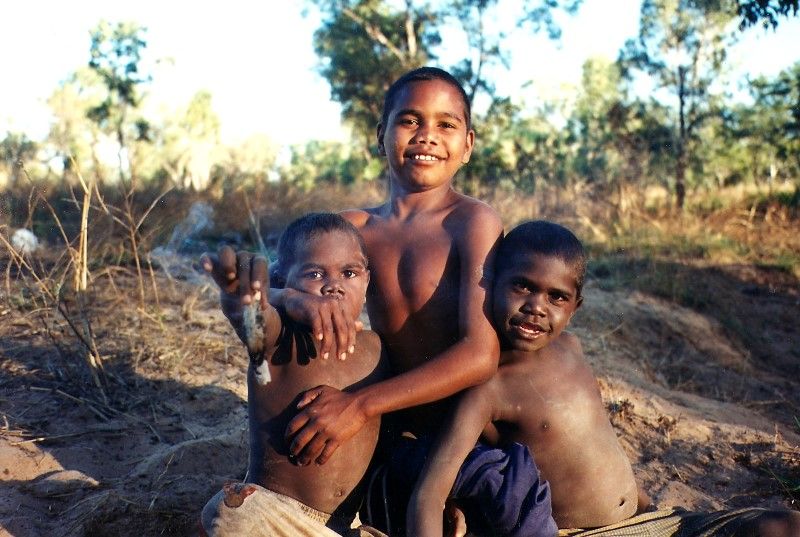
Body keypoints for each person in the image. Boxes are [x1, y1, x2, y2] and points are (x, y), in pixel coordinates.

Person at [204, 67, 554, 536]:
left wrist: (360, 406)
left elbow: (479, 354)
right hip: (391, 435)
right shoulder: (352, 228)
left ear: (468, 144)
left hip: (461, 426)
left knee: (505, 492)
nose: (427, 136)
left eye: (445, 125)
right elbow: (266, 282)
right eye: (410, 120)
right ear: (381, 135)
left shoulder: (472, 221)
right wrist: (291, 298)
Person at [407, 220, 800, 537]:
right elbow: (429, 492)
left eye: (556, 297)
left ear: (575, 307)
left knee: (785, 525)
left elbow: (596, 447)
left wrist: (644, 503)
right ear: (492, 285)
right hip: (585, 532)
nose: (535, 307)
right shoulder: (487, 388)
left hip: (654, 521)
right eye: (522, 286)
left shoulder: (571, 349)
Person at [200, 213, 388, 537]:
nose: (334, 285)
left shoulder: (377, 349)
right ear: (281, 279)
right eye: (314, 273)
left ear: (368, 280)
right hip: (275, 516)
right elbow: (254, 320)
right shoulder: (280, 339)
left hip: (342, 528)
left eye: (349, 272)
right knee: (238, 515)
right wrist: (240, 297)